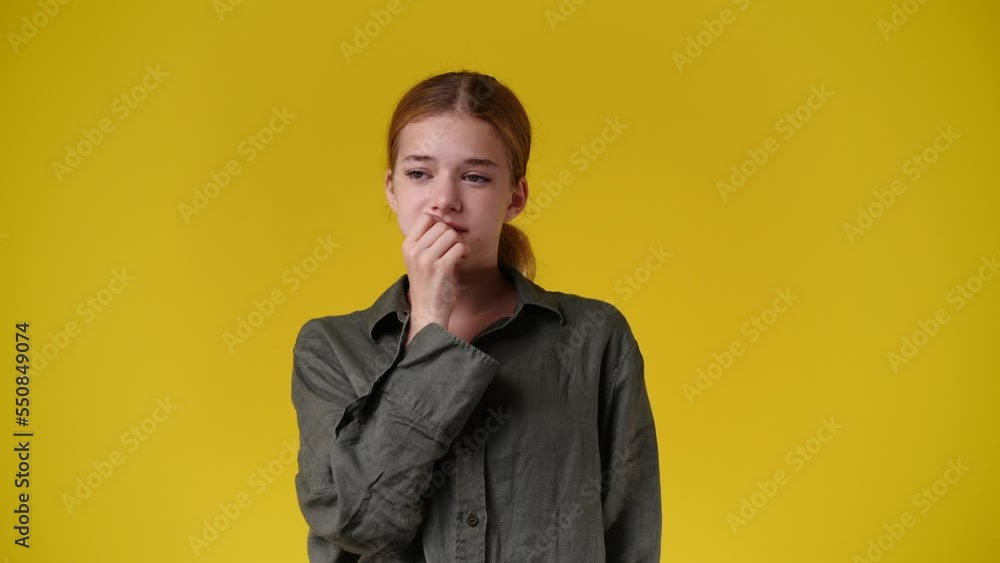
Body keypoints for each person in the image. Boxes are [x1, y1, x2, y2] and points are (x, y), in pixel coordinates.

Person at [290, 70, 661, 562]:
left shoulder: (595, 338)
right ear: (391, 189)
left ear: (515, 197)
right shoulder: (331, 349)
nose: (444, 200)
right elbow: (363, 526)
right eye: (419, 173)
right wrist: (429, 325)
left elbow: (630, 534)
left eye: (475, 177)